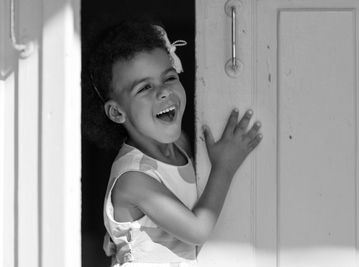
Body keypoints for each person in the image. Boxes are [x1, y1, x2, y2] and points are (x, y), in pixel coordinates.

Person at [84, 20, 262, 267]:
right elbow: (197, 230)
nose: (163, 92)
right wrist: (224, 167)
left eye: (168, 78)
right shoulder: (133, 179)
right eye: (144, 87)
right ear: (116, 113)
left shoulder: (180, 146)